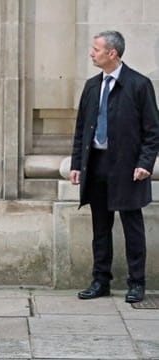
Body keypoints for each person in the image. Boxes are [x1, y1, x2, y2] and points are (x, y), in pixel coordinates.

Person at [70, 30, 159, 303]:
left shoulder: (139, 85)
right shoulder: (91, 85)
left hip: (128, 167)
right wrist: (76, 164)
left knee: (132, 226)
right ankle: (101, 281)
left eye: (96, 49)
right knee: (100, 226)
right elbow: (82, 128)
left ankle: (137, 283)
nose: (91, 53)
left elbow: (153, 130)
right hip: (96, 164)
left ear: (113, 53)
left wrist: (145, 164)